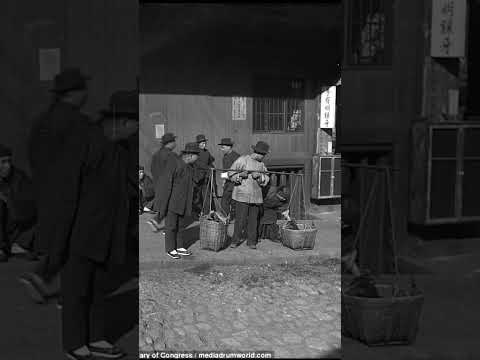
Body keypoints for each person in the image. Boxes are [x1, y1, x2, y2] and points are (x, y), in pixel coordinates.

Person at [23, 70, 129, 359]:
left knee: (93, 285)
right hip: (79, 219)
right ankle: (75, 343)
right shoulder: (78, 129)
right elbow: (68, 183)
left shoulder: (51, 122)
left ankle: (94, 338)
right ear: (75, 92)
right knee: (77, 287)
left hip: (86, 219)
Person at [228, 141, 270, 250]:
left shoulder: (261, 165)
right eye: (263, 155)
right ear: (258, 153)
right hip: (242, 195)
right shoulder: (243, 160)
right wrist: (240, 174)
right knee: (240, 220)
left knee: (253, 220)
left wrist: (260, 176)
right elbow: (230, 173)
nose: (263, 157)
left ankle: (251, 241)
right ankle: (235, 240)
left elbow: (266, 178)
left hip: (256, 196)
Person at [0, 144, 36, 262]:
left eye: (9, 161)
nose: (7, 166)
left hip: (15, 227)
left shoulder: (19, 177)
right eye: (3, 162)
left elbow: (29, 209)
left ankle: (12, 246)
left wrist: (8, 199)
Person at [164, 143, 200, 259]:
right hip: (173, 201)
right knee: (171, 226)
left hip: (184, 202)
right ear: (189, 155)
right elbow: (166, 184)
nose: (197, 158)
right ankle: (170, 249)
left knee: (180, 226)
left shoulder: (189, 167)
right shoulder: (176, 165)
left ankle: (179, 246)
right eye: (196, 155)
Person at [148, 132, 177, 232]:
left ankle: (156, 220)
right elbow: (174, 172)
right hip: (169, 185)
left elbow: (152, 169)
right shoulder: (171, 155)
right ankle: (167, 228)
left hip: (158, 184)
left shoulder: (156, 154)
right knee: (171, 208)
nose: (175, 143)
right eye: (174, 141)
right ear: (170, 143)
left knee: (165, 206)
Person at [192, 134, 215, 218]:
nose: (203, 144)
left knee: (206, 195)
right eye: (201, 143)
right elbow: (197, 163)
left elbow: (211, 159)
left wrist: (210, 165)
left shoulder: (207, 152)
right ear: (198, 144)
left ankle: (206, 213)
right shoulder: (195, 152)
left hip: (206, 178)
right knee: (197, 197)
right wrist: (208, 167)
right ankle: (197, 212)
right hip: (197, 178)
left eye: (204, 142)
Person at [218, 138, 240, 219]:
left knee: (231, 201)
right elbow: (224, 170)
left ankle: (229, 217)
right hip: (227, 182)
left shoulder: (237, 157)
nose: (221, 149)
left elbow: (239, 170)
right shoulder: (225, 156)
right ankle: (225, 217)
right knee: (225, 201)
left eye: (223, 147)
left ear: (229, 147)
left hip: (235, 183)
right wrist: (223, 181)